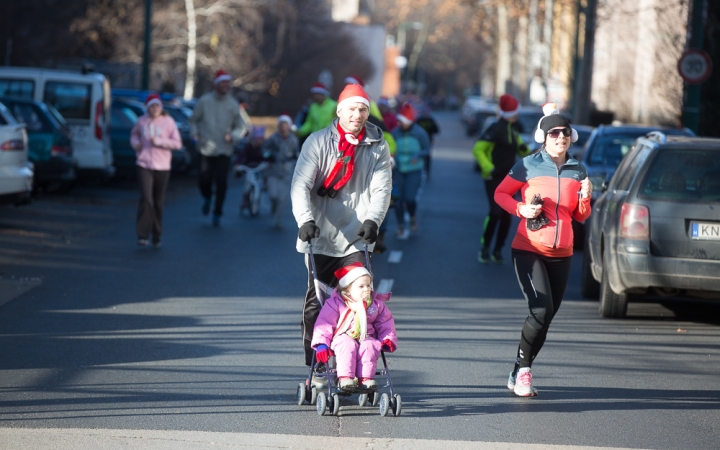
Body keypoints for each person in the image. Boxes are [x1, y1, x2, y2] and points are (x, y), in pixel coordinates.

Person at [290, 83, 392, 383]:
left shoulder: (377, 145)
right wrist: (305, 220)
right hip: (319, 235)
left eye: (363, 109)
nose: (357, 115)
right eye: (351, 109)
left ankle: (357, 368)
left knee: (359, 303)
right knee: (317, 305)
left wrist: (374, 220)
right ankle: (318, 366)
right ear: (339, 111)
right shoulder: (318, 141)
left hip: (356, 236)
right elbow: (300, 185)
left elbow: (382, 188)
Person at [494, 103, 592, 397]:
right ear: (544, 137)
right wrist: (521, 208)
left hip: (562, 254)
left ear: (570, 137)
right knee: (540, 309)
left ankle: (518, 366)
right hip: (529, 248)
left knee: (546, 318)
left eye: (564, 133)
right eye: (554, 133)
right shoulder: (527, 165)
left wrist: (587, 197)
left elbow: (581, 216)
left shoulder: (578, 170)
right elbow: (500, 193)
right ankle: (525, 373)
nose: (560, 137)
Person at [311, 262, 397, 389]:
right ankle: (345, 378)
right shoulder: (335, 304)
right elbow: (324, 324)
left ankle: (366, 379)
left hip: (366, 336)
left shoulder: (375, 305)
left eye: (368, 285)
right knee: (347, 344)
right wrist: (322, 344)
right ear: (347, 290)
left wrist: (387, 339)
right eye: (361, 286)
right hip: (342, 336)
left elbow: (386, 323)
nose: (366, 289)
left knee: (371, 345)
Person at [473, 94, 531, 264]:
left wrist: (525, 149)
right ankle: (485, 248)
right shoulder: (495, 128)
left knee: (506, 215)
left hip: (510, 179)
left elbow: (522, 149)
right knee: (495, 212)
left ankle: (498, 249)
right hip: (493, 177)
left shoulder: (513, 129)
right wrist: (488, 168)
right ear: (512, 112)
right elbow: (478, 149)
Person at [189, 69, 248, 227]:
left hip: (224, 149)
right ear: (216, 84)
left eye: (227, 83)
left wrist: (233, 135)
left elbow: (242, 126)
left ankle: (217, 212)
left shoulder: (232, 104)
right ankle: (207, 197)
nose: (225, 85)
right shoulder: (204, 101)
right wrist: (195, 135)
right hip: (206, 148)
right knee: (204, 180)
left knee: (221, 182)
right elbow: (193, 120)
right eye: (223, 83)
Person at [130, 93, 182, 248]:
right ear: (147, 107)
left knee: (158, 201)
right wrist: (136, 144)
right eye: (151, 106)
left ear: (161, 107)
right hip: (144, 164)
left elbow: (177, 143)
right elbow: (134, 135)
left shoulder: (168, 122)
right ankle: (142, 235)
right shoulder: (141, 121)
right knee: (146, 199)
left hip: (163, 166)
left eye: (157, 106)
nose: (154, 109)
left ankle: (157, 234)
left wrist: (159, 141)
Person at [390, 102, 430, 239]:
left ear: (410, 121)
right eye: (399, 121)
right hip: (399, 170)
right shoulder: (395, 133)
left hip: (414, 170)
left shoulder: (420, 133)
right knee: (398, 200)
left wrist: (417, 155)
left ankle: (412, 216)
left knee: (410, 199)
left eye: (403, 122)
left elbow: (427, 150)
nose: (400, 124)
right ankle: (400, 225)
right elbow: (389, 148)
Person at [262, 114, 299, 228]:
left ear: (289, 126)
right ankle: (273, 205)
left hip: (286, 171)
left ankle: (277, 219)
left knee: (282, 198)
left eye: (285, 124)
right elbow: (264, 150)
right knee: (273, 195)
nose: (283, 127)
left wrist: (295, 157)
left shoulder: (293, 139)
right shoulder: (273, 138)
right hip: (273, 170)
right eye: (281, 125)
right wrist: (268, 156)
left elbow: (297, 153)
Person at [415, 105, 440, 179]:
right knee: (419, 155)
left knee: (427, 156)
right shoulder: (419, 120)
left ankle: (427, 171)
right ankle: (419, 170)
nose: (426, 115)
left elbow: (437, 130)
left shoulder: (431, 120)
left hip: (428, 141)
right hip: (418, 141)